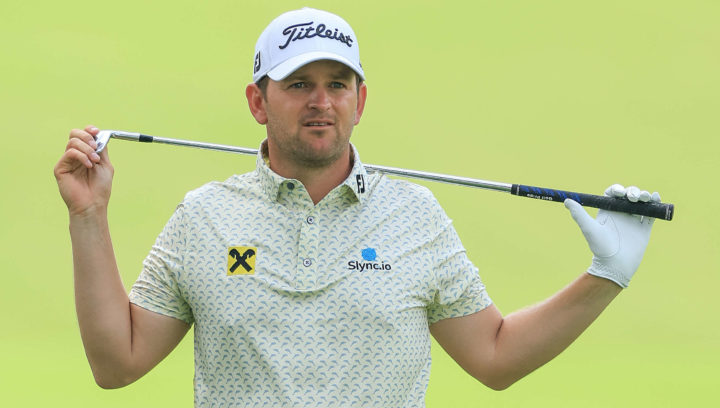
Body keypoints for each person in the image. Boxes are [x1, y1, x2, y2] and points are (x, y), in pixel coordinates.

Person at [53, 7, 661, 407]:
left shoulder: (415, 216)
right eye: (298, 84)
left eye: (337, 84)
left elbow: (495, 357)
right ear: (257, 101)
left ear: (360, 99)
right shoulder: (205, 217)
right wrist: (89, 218)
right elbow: (117, 363)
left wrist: (604, 278)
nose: (321, 102)